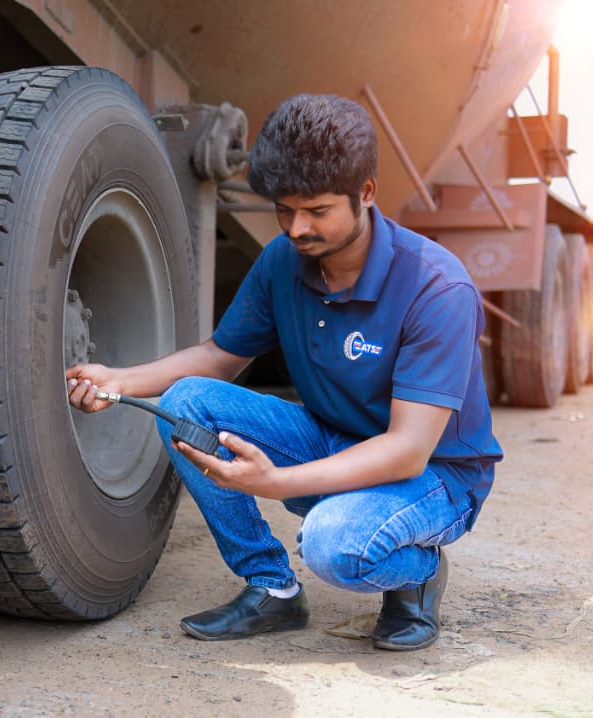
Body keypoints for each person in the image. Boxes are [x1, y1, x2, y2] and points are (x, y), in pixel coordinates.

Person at [65, 94, 502, 651]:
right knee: (186, 401)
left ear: (365, 194)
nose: (297, 229)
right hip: (335, 436)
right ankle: (271, 589)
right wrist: (119, 379)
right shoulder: (282, 262)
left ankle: (417, 574)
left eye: (317, 211)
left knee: (333, 544)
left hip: (435, 475)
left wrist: (276, 483)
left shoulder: (435, 288)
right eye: (284, 210)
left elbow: (407, 451)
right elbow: (219, 359)